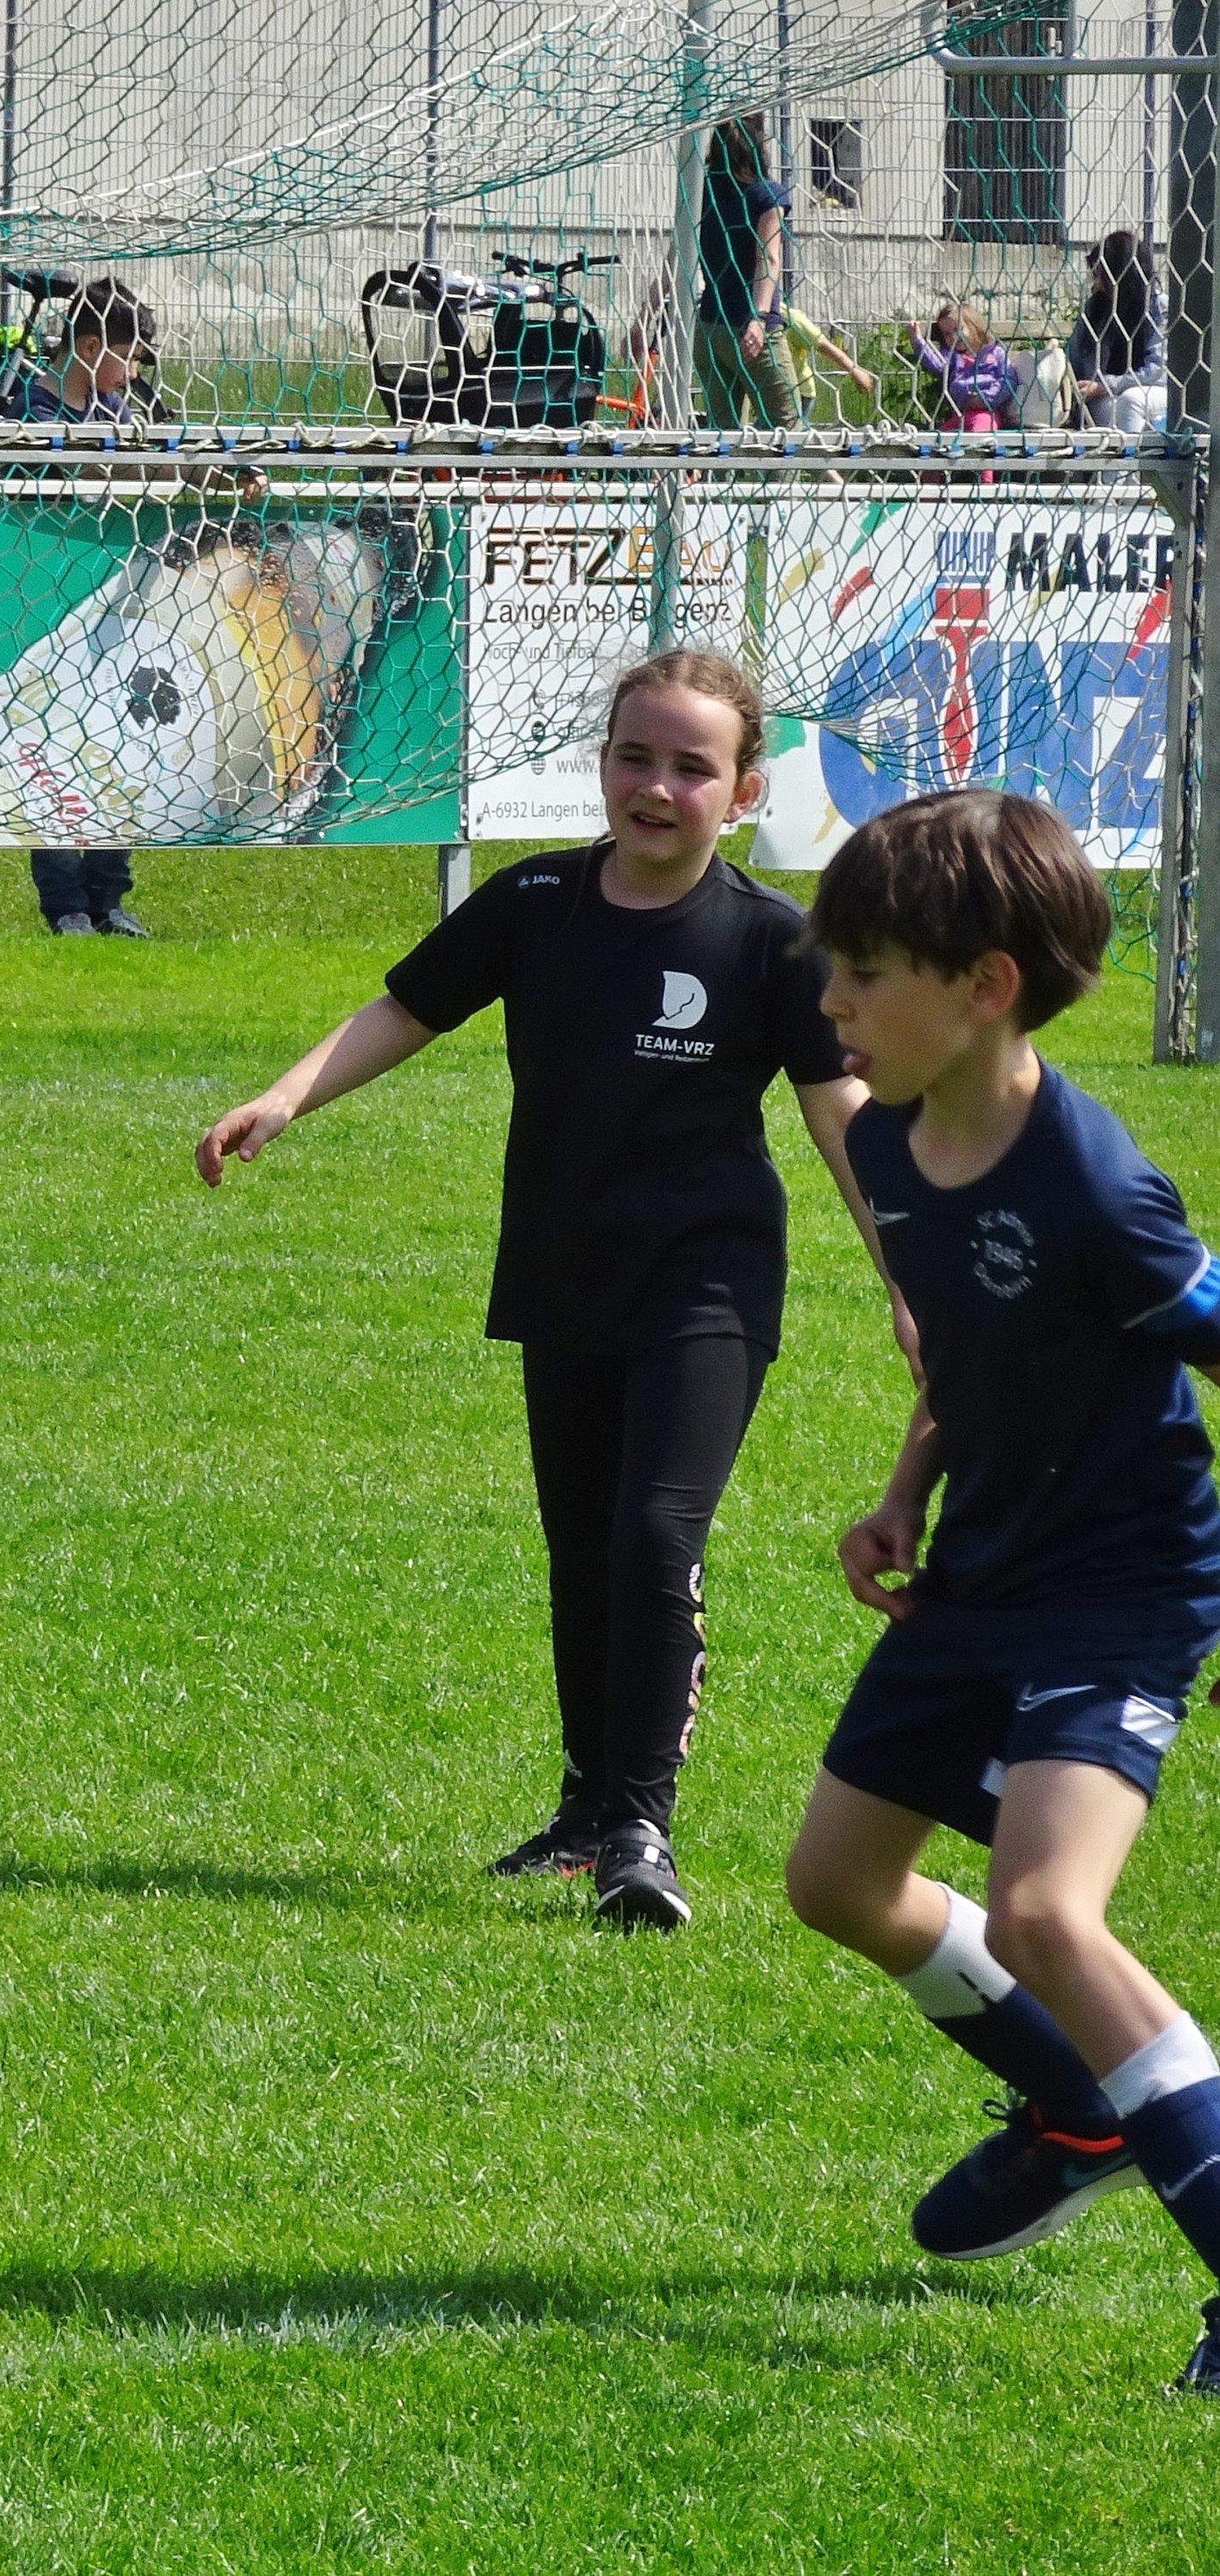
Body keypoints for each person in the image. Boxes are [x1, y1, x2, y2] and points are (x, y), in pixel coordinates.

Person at [196, 650, 900, 1929]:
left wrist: (908, 1280)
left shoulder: (766, 943)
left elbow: (835, 1115)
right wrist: (286, 1095)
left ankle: (640, 1827)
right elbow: (403, 1009)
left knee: (651, 1539)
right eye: (634, 755)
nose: (653, 786)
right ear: (600, 764)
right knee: (581, 1560)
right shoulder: (530, 906)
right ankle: (584, 1809)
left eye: (690, 767)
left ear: (739, 792)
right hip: (564, 1278)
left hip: (706, 1291)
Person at [782, 789, 1220, 2397]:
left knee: (1045, 1909)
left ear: (980, 985)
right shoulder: (890, 1141)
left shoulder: (1095, 1190)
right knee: (837, 1880)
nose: (827, 1000)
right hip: (978, 1568)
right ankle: (1083, 2109)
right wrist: (902, 1492)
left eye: (862, 970)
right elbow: (960, 1351)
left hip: (1120, 1585)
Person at [27, 277, 160, 939]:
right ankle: (65, 903)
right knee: (47, 743)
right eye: (126, 355)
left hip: (119, 603)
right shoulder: (28, 409)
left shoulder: (124, 411)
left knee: (123, 741)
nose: (132, 371)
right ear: (88, 346)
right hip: (46, 601)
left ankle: (109, 898)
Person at [693, 118, 796, 429]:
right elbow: (768, 258)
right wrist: (759, 317)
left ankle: (729, 479)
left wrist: (646, 312)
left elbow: (676, 257)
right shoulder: (767, 195)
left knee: (722, 436)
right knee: (786, 431)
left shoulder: (702, 193)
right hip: (750, 332)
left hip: (710, 331)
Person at [1064, 230, 1166, 429]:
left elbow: (1157, 370)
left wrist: (1106, 385)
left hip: (1150, 389)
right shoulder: (1096, 308)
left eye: (1100, 274)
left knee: (1132, 401)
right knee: (1104, 408)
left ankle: (1133, 459)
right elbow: (1074, 360)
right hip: (1103, 395)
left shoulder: (1159, 307)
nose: (1097, 283)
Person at [910, 300, 1021, 432]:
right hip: (960, 413)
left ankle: (975, 447)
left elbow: (1008, 380)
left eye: (958, 329)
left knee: (980, 430)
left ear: (973, 326)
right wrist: (917, 340)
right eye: (947, 334)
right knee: (941, 436)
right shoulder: (953, 356)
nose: (954, 337)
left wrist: (985, 399)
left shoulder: (996, 353)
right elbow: (936, 364)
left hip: (987, 412)